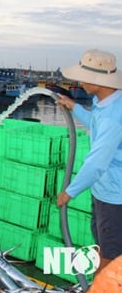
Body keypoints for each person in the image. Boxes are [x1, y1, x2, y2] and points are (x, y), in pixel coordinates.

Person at [56, 49, 122, 276]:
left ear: (99, 81)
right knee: (104, 243)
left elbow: (97, 164)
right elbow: (95, 124)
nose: (79, 82)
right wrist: (73, 107)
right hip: (103, 190)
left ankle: (102, 289)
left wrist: (69, 192)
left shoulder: (115, 115)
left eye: (84, 77)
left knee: (110, 255)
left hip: (115, 198)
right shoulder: (104, 101)